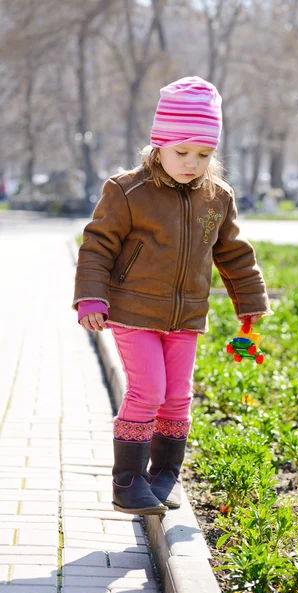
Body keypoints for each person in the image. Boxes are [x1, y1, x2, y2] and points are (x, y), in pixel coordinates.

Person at [72, 76, 273, 516]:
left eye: (203, 154)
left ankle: (165, 475)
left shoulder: (217, 197)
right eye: (182, 152)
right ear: (159, 144)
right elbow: (98, 245)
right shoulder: (127, 191)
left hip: (186, 317)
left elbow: (232, 252)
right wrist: (92, 297)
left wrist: (251, 300)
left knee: (178, 395)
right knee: (147, 389)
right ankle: (127, 482)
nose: (192, 163)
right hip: (133, 311)